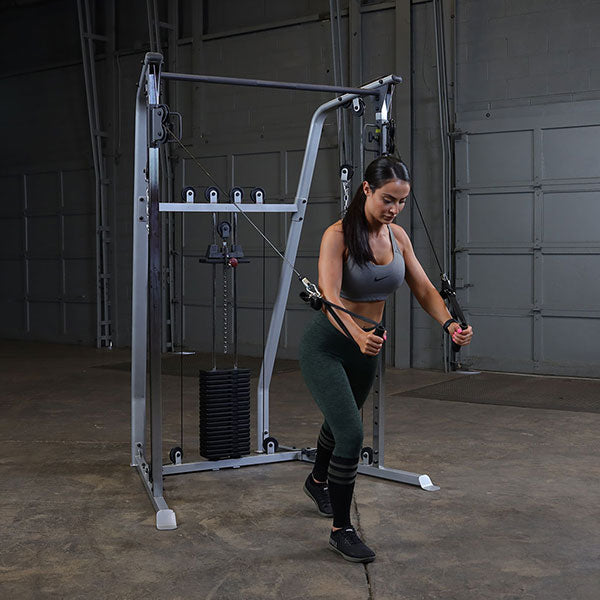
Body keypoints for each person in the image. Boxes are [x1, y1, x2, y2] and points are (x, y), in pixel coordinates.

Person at [298, 155, 474, 563]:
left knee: (341, 421)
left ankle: (317, 479)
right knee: (352, 433)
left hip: (367, 348)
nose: (393, 208)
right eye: (387, 199)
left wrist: (450, 325)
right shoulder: (337, 235)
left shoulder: (398, 238)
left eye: (401, 201)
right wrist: (357, 335)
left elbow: (425, 289)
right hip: (330, 344)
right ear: (366, 190)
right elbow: (328, 296)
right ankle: (341, 530)